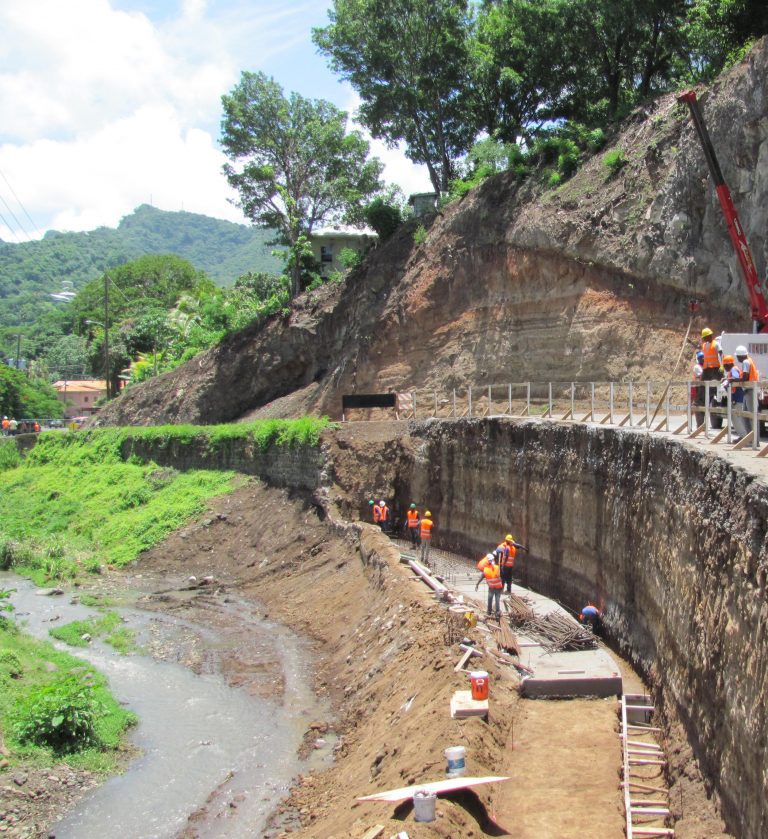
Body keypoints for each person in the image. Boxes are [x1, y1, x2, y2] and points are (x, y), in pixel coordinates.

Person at [722, 355, 749, 438]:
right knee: (735, 417)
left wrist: (728, 380)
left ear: (728, 364)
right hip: (736, 397)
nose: (724, 368)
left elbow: (735, 378)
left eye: (725, 365)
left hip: (737, 397)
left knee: (736, 417)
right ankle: (742, 437)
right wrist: (726, 379)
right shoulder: (733, 369)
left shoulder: (734, 369)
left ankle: (744, 437)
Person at [735, 345, 760, 433]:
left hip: (750, 391)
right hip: (748, 391)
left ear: (740, 355)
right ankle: (750, 438)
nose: (737, 358)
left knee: (752, 416)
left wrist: (732, 380)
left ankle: (754, 441)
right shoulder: (749, 360)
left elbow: (745, 377)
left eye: (737, 356)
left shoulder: (746, 362)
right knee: (745, 415)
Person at [475, 553, 503, 620]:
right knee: (497, 600)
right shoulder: (497, 568)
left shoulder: (485, 570)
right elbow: (502, 577)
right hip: (498, 587)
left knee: (490, 599)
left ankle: (489, 612)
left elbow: (481, 578)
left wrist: (477, 584)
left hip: (491, 587)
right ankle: (497, 614)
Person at [692, 350, 705, 428]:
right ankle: (699, 425)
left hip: (703, 388)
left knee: (703, 406)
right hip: (698, 389)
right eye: (702, 358)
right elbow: (702, 375)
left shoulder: (704, 366)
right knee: (698, 405)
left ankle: (702, 425)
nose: (703, 359)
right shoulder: (697, 367)